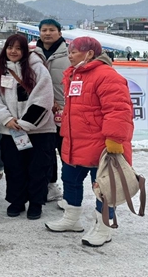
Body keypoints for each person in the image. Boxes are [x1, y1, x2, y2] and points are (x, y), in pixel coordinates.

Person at [45, 37, 134, 247]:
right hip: (75, 142)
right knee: (70, 180)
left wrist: (114, 140)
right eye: (69, 51)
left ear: (90, 53)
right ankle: (71, 218)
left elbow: (118, 110)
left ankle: (104, 228)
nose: (70, 55)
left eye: (75, 51)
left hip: (101, 146)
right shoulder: (74, 74)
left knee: (104, 187)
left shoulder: (106, 76)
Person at [0, 34, 55, 220]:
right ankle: (16, 201)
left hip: (39, 130)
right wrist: (7, 119)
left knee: (38, 168)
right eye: (10, 47)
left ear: (25, 50)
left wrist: (25, 123)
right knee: (14, 167)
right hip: (10, 130)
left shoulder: (38, 69)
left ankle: (36, 203)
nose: (13, 52)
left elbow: (44, 97)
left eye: (18, 48)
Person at [34, 19, 69, 203]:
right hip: (42, 111)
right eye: (44, 30)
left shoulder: (70, 55)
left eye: (52, 30)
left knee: (66, 151)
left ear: (60, 33)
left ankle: (71, 188)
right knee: (46, 151)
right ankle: (50, 185)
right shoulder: (33, 54)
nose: (47, 33)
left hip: (65, 112)